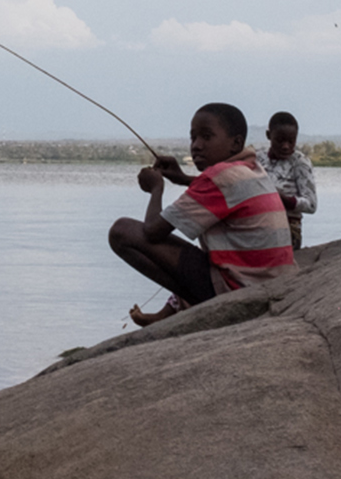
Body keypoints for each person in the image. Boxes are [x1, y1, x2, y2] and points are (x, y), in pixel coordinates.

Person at [109, 102, 294, 328]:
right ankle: (179, 308)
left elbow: (153, 231)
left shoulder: (218, 177)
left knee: (122, 232)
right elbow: (225, 190)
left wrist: (156, 189)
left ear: (235, 142)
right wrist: (181, 178)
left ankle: (197, 304)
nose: (196, 146)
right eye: (193, 138)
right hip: (274, 284)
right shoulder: (251, 168)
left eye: (206, 137)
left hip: (241, 291)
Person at [260, 111, 317, 249]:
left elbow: (311, 205)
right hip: (259, 222)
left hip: (288, 226)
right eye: (280, 140)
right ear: (269, 136)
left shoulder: (300, 163)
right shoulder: (258, 158)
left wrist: (284, 200)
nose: (285, 146)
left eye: (291, 141)